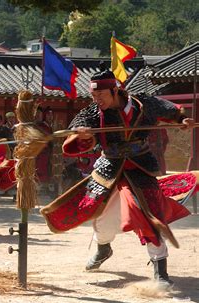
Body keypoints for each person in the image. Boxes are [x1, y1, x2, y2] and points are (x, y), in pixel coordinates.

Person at [40, 68, 196, 285]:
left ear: (115, 91)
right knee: (100, 216)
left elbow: (171, 111)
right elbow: (74, 134)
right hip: (109, 168)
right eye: (94, 96)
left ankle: (161, 270)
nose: (97, 100)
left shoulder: (144, 104)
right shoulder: (93, 113)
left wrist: (183, 119)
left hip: (141, 166)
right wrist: (81, 134)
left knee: (152, 214)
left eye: (101, 96)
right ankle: (103, 247)